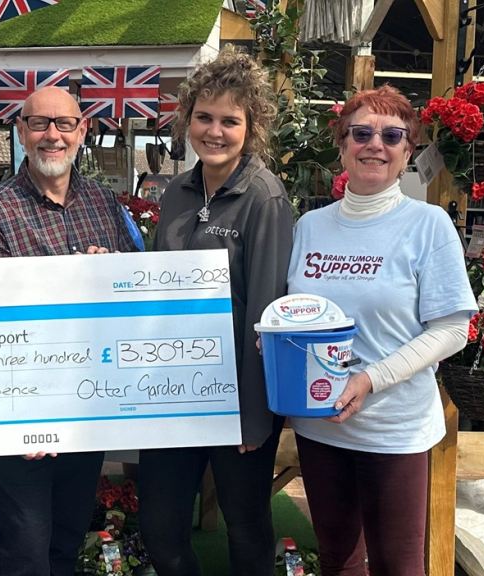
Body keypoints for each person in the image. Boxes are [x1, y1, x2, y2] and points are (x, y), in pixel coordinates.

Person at [286, 85, 475, 576]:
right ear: (342, 144)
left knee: (397, 563)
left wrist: (369, 379)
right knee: (337, 559)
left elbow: (454, 329)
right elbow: (296, 314)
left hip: (394, 428)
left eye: (392, 135)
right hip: (319, 423)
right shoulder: (310, 226)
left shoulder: (428, 225)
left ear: (408, 151)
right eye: (362, 133)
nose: (376, 144)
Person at [0, 86, 139, 576]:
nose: (52, 136)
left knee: (66, 542)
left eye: (64, 124)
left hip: (87, 406)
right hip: (24, 413)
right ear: (21, 132)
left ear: (82, 131)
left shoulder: (104, 204)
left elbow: (133, 294)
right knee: (25, 551)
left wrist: (112, 274)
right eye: (39, 124)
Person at [136, 45, 293, 576]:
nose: (215, 130)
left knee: (246, 527)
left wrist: (254, 416)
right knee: (159, 529)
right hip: (172, 394)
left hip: (238, 400)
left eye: (230, 120)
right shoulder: (177, 191)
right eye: (204, 117)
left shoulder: (264, 198)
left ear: (252, 127)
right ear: (186, 120)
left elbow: (268, 314)